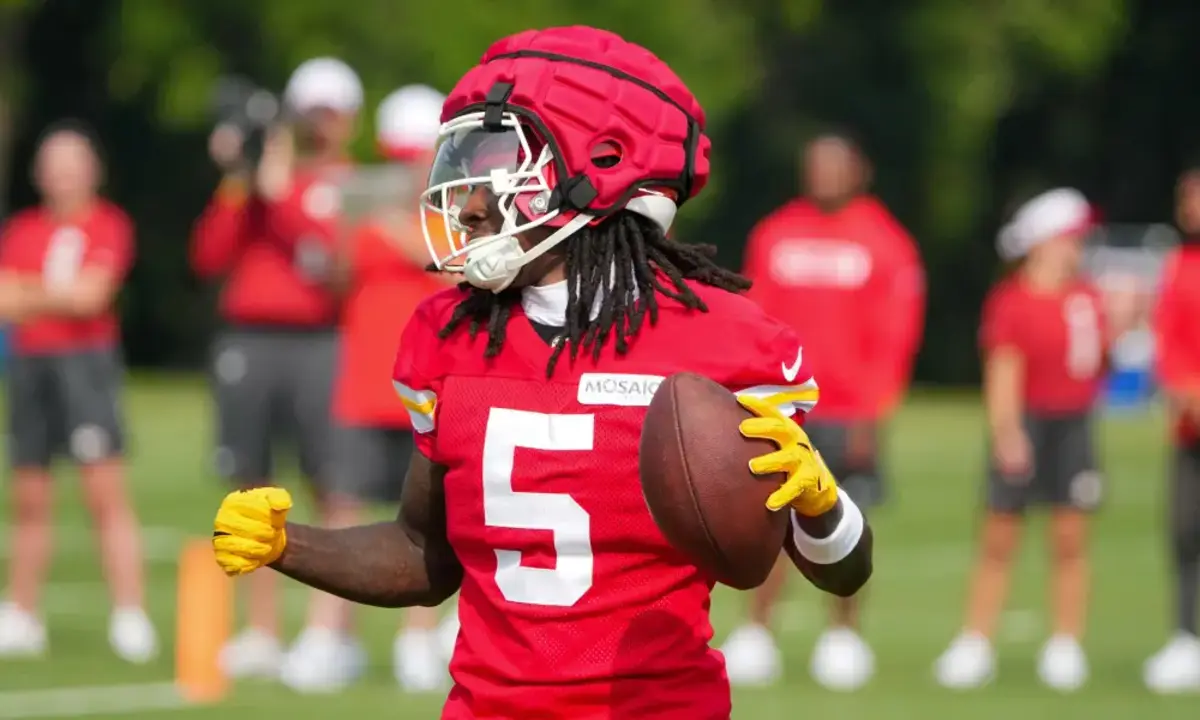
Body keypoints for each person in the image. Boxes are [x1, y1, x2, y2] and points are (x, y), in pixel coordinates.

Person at [209, 26, 874, 719]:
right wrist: (291, 545)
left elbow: (841, 569)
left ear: (605, 166)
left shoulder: (727, 342)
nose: (467, 199)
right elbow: (422, 550)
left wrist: (821, 506)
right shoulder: (452, 336)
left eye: (501, 162)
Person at [727, 133, 924, 690]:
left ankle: (843, 636)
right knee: (768, 520)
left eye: (834, 165)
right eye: (814, 165)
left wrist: (874, 409)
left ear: (859, 170)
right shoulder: (775, 233)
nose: (822, 174)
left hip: (848, 410)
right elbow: (755, 318)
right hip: (781, 408)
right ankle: (757, 633)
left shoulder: (886, 242)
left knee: (844, 525)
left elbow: (895, 336)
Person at [189, 57, 362, 684]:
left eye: (329, 112)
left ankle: (328, 632)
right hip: (250, 342)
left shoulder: (345, 183)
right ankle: (261, 630)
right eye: (308, 113)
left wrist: (277, 191)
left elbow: (330, 262)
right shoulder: (256, 186)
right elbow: (208, 254)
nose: (319, 125)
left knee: (332, 486)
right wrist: (240, 179)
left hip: (320, 342)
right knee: (250, 489)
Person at [934, 188, 1129, 691]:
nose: (1078, 248)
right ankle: (975, 642)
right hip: (1027, 423)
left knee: (1070, 540)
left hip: (1074, 426)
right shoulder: (1013, 298)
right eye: (1071, 238)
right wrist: (1007, 431)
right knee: (1000, 540)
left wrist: (1120, 329)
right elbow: (1004, 370)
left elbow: (1097, 366)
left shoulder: (1086, 297)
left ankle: (1065, 644)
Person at [0, 121, 155, 662]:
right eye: (53, 164)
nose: (62, 176)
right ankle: (20, 610)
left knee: (104, 493)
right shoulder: (22, 229)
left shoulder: (108, 224)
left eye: (73, 164)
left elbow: (92, 297)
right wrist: (53, 294)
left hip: (86, 366)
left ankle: (130, 612)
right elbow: (5, 300)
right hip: (31, 366)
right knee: (30, 495)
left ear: (92, 170)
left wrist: (32, 293)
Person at [327, 84, 459, 692]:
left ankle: (416, 640)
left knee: (427, 520)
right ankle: (334, 638)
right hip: (363, 381)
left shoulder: (458, 216)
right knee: (344, 508)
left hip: (427, 386)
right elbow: (333, 274)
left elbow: (448, 263)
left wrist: (387, 221)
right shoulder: (360, 213)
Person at [1144, 167, 1200, 693]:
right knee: (1185, 533)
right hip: (1190, 429)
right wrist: (1183, 388)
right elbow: (1169, 340)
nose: (1189, 205)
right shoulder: (1178, 266)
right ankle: (1186, 637)